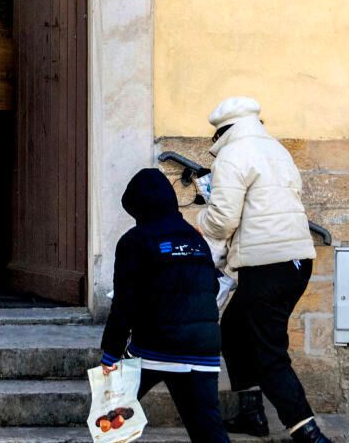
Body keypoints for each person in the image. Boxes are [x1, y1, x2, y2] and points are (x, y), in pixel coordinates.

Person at [197, 96, 329, 443]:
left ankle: (307, 432)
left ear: (222, 131)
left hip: (267, 266)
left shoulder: (233, 154)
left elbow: (223, 219)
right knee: (234, 329)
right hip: (296, 262)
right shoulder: (276, 150)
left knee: (268, 352)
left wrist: (201, 220)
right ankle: (251, 413)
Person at [99, 168, 230, 443]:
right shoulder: (196, 239)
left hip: (154, 346)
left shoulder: (134, 241)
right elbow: (212, 287)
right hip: (203, 350)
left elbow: (124, 304)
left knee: (110, 420)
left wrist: (110, 355)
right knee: (208, 431)